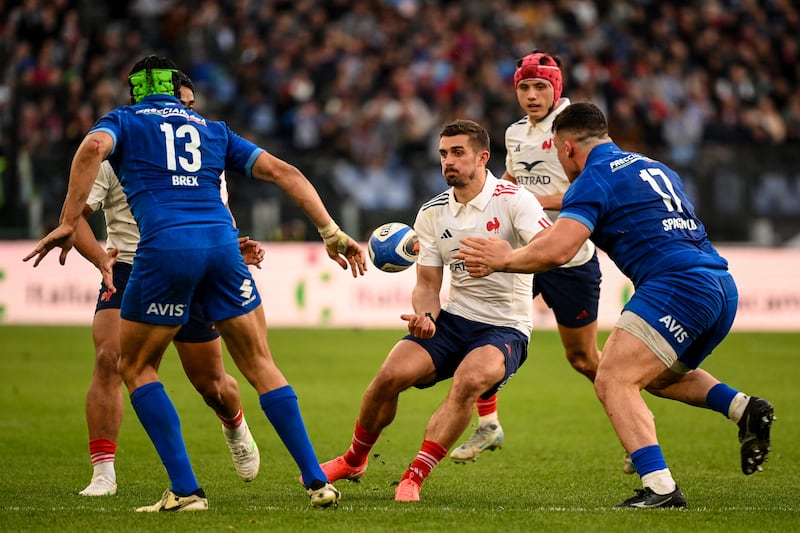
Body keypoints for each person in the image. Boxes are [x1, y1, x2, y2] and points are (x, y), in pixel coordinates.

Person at [24, 55, 367, 511]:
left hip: (164, 250)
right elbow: (286, 172)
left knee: (137, 367)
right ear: (177, 93)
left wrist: (68, 220)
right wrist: (332, 233)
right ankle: (315, 480)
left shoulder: (124, 122)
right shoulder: (213, 131)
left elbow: (90, 150)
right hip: (218, 248)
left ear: (136, 92)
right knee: (260, 362)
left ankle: (186, 490)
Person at [455, 102, 775, 508]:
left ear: (567, 147)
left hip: (675, 286)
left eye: (558, 153)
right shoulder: (655, 167)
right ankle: (742, 408)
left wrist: (504, 259)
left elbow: (560, 249)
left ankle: (661, 488)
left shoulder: (595, 177)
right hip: (720, 286)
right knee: (656, 378)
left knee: (612, 378)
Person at [309, 119, 551, 502]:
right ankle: (355, 459)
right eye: (443, 154)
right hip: (452, 320)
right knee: (389, 375)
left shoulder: (513, 199)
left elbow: (549, 250)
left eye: (458, 153)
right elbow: (426, 286)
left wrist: (505, 260)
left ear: (483, 157)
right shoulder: (433, 213)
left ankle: (414, 476)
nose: (448, 162)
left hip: (505, 327)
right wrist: (427, 317)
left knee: (470, 380)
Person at [75, 72, 263, 497]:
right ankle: (103, 472)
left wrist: (234, 250)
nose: (187, 113)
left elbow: (215, 218)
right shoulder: (116, 150)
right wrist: (98, 257)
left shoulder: (202, 155)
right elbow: (76, 219)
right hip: (130, 268)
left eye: (192, 105)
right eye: (183, 103)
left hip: (189, 267)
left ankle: (234, 424)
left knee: (211, 384)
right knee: (110, 357)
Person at [451, 50, 602, 464]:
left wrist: (530, 200)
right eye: (524, 87)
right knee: (482, 329)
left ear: (557, 88)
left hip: (570, 256)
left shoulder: (578, 128)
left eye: (540, 86)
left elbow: (594, 188)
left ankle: (634, 428)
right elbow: (511, 181)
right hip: (524, 253)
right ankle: (488, 424)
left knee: (584, 359)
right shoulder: (516, 133)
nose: (532, 95)